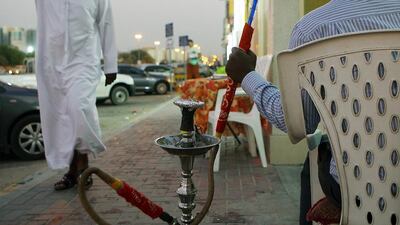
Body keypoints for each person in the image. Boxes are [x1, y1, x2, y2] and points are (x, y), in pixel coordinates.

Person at [225, 0, 400, 224]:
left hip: (355, 189)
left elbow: (297, 123)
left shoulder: (312, 29)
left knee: (315, 160)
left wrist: (248, 75)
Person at [35, 0, 118, 191]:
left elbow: (106, 23)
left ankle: (83, 164)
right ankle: (72, 170)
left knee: (79, 107)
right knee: (62, 118)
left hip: (84, 60)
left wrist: (110, 64)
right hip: (51, 61)